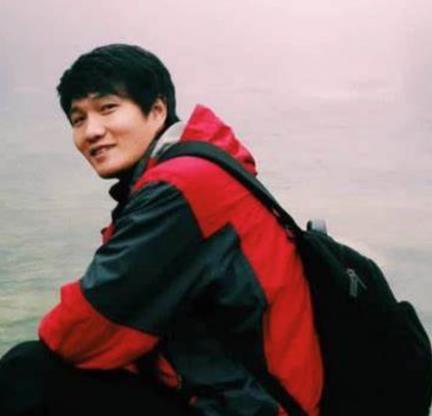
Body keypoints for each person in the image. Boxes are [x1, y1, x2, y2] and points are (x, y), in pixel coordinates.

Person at [0, 44, 323, 416]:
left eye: (107, 108)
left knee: (28, 372)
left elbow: (83, 329)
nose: (91, 131)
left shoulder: (182, 187)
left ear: (156, 111)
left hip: (248, 408)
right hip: (232, 395)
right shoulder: (196, 167)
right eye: (78, 119)